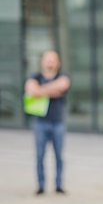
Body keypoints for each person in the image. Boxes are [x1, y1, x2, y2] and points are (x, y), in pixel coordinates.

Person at [24, 50, 71, 195]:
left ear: (58, 63)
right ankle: (41, 185)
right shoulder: (34, 76)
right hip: (40, 123)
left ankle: (58, 185)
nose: (50, 63)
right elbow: (31, 90)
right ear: (42, 62)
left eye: (53, 60)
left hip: (58, 122)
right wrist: (51, 91)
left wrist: (40, 91)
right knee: (40, 155)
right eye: (47, 60)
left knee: (59, 156)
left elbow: (62, 85)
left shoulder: (63, 76)